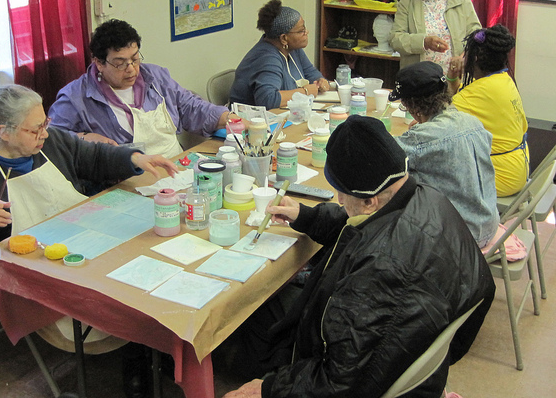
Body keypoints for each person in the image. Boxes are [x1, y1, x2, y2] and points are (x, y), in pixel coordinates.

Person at [223, 115, 495, 398]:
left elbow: (337, 383)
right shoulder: (426, 198)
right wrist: (306, 216)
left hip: (357, 371)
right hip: (403, 351)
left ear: (369, 200)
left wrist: (267, 388)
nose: (339, 200)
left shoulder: (381, 269)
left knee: (257, 306)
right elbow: (358, 225)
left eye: (342, 193)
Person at [0, 84, 177, 263]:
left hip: (81, 238)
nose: (45, 134)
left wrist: (135, 158)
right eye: (35, 129)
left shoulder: (51, 142)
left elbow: (93, 157)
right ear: (5, 132)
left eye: (45, 124)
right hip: (29, 265)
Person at [48, 19, 235, 158]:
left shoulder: (155, 77)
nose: (131, 69)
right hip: (125, 178)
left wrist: (228, 118)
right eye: (120, 63)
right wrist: (83, 138)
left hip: (175, 164)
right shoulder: (76, 98)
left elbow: (189, 106)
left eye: (135, 59)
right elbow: (50, 140)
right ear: (99, 63)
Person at [391, 61, 499, 247]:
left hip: (460, 238)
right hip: (489, 223)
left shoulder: (421, 139)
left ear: (413, 106)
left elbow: (383, 154)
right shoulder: (473, 122)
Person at [447, 24, 529, 197]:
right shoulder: (503, 80)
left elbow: (437, 119)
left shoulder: (477, 93)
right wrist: (452, 76)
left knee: (432, 176)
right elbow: (462, 94)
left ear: (474, 58)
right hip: (518, 167)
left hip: (501, 177)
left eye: (466, 54)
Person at [229, 0, 330, 109]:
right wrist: (305, 91)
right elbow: (268, 100)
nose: (306, 33)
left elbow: (311, 74)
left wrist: (321, 81)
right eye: (301, 30)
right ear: (284, 38)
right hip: (250, 120)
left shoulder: (293, 49)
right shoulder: (267, 59)